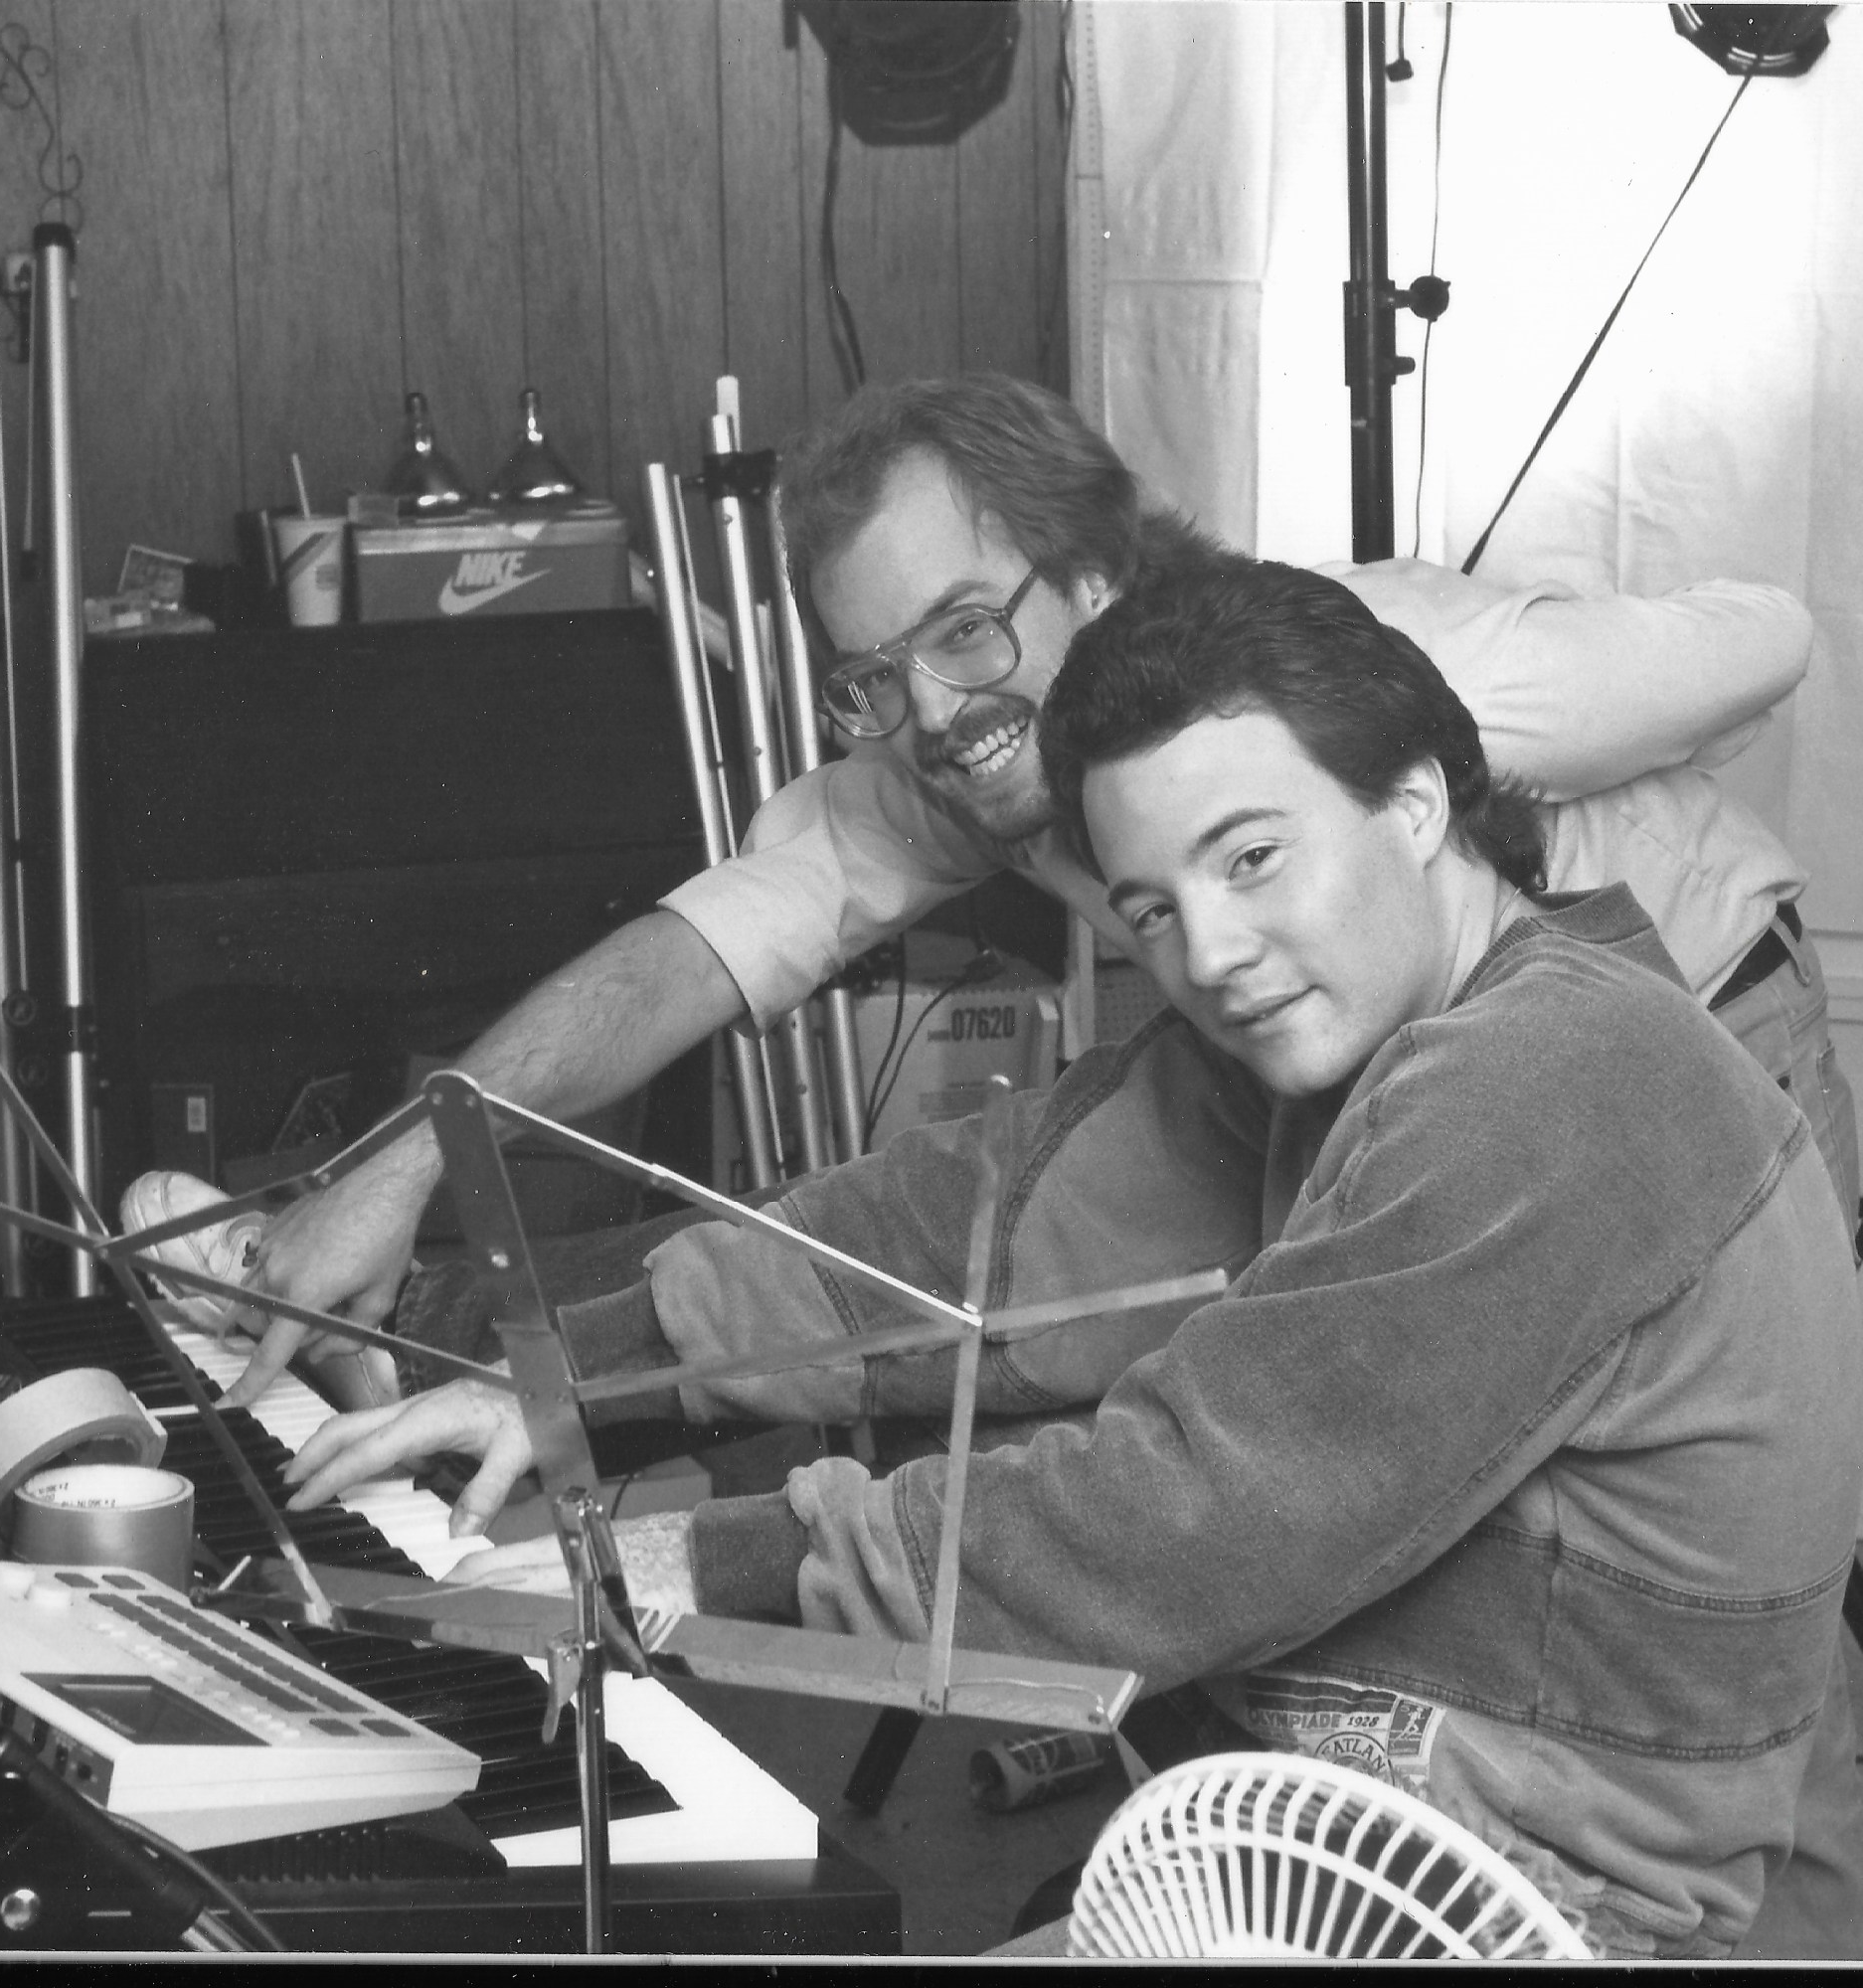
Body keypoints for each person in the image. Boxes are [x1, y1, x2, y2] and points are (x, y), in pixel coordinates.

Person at [288, 545, 1863, 1959]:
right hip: (1315, 1853)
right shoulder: (1333, 1045)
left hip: (1539, 1918)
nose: (1213, 955)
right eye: (1153, 910)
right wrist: (571, 1377)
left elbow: (1192, 1513)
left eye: (1254, 858)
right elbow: (964, 1230)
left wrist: (680, 1564)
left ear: (1414, 805)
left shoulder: (1561, 1078)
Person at [215, 374, 1851, 1418]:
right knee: (982, 1228)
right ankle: (432, 1327)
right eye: (876, 674)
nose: (932, 711)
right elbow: (687, 957)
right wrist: (402, 1163)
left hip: (1705, 1013)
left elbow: (1770, 637)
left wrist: (1502, 751)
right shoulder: (955, 758)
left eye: (965, 629)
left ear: (1096, 579)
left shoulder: (1373, 667)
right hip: (1371, 1073)